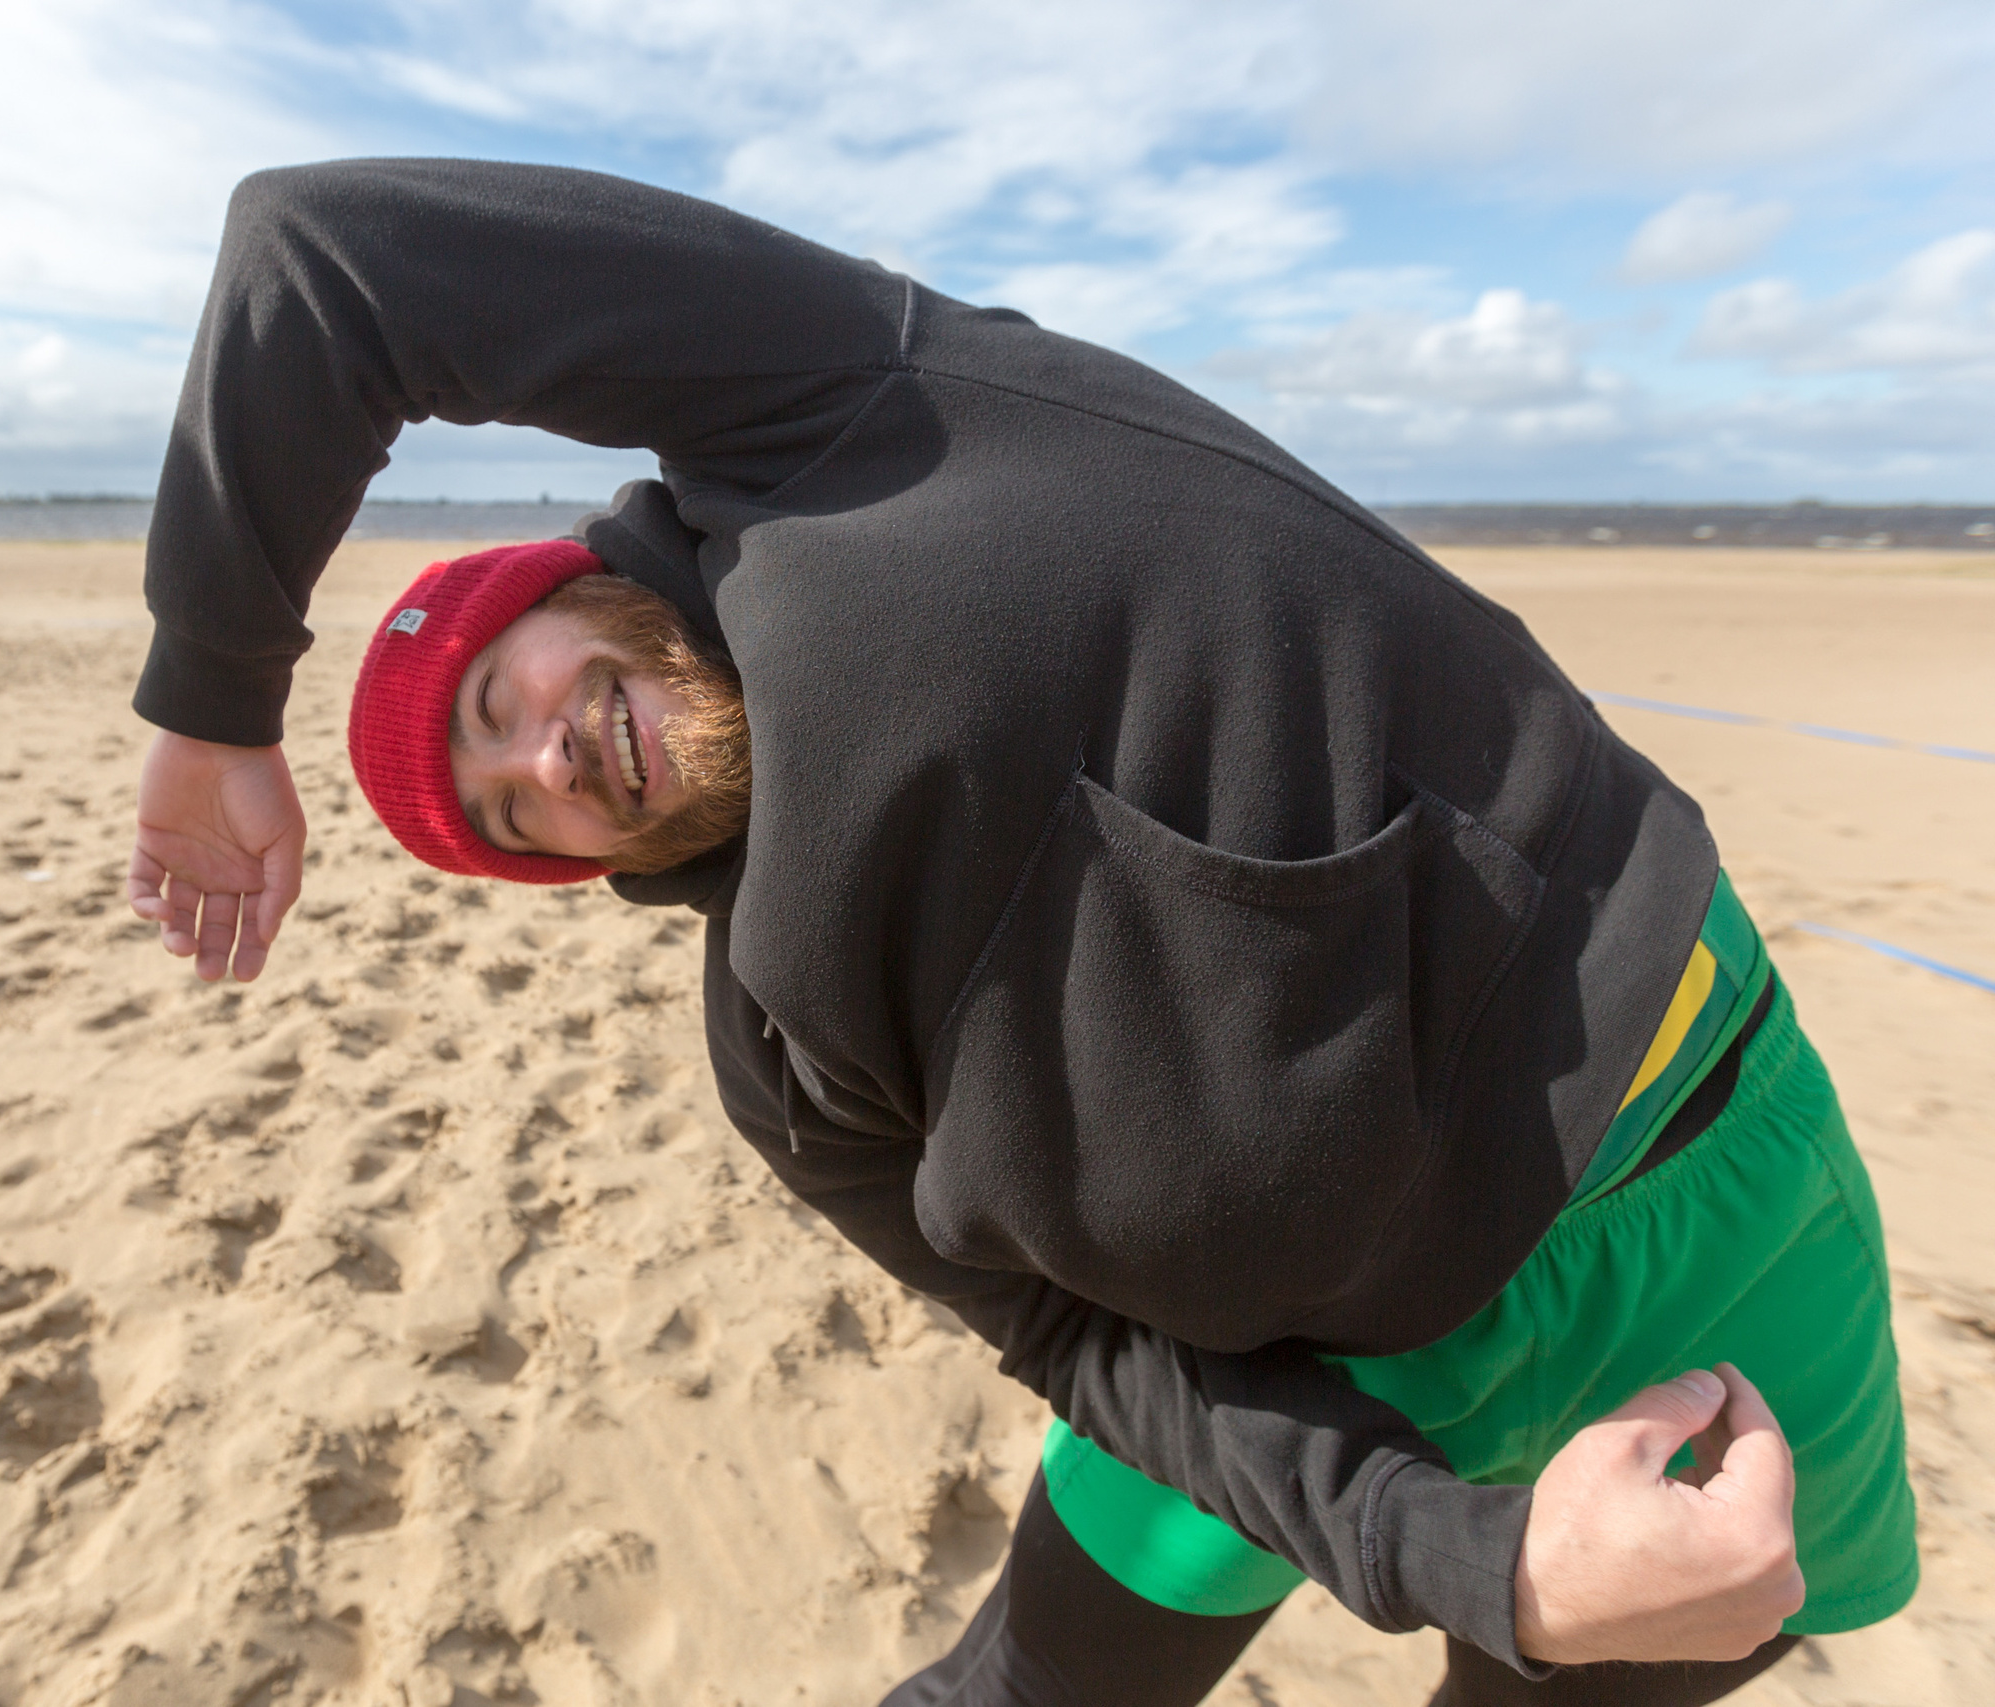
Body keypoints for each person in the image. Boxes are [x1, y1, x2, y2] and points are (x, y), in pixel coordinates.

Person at [123, 160, 1917, 1706]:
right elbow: (1087, 1356)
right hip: (1277, 1377)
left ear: (577, 585)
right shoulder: (779, 1061)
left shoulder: (847, 415)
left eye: (501, 690)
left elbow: (324, 255)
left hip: (1690, 1184)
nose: (540, 757)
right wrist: (1463, 1557)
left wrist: (214, 703)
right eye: (509, 811)